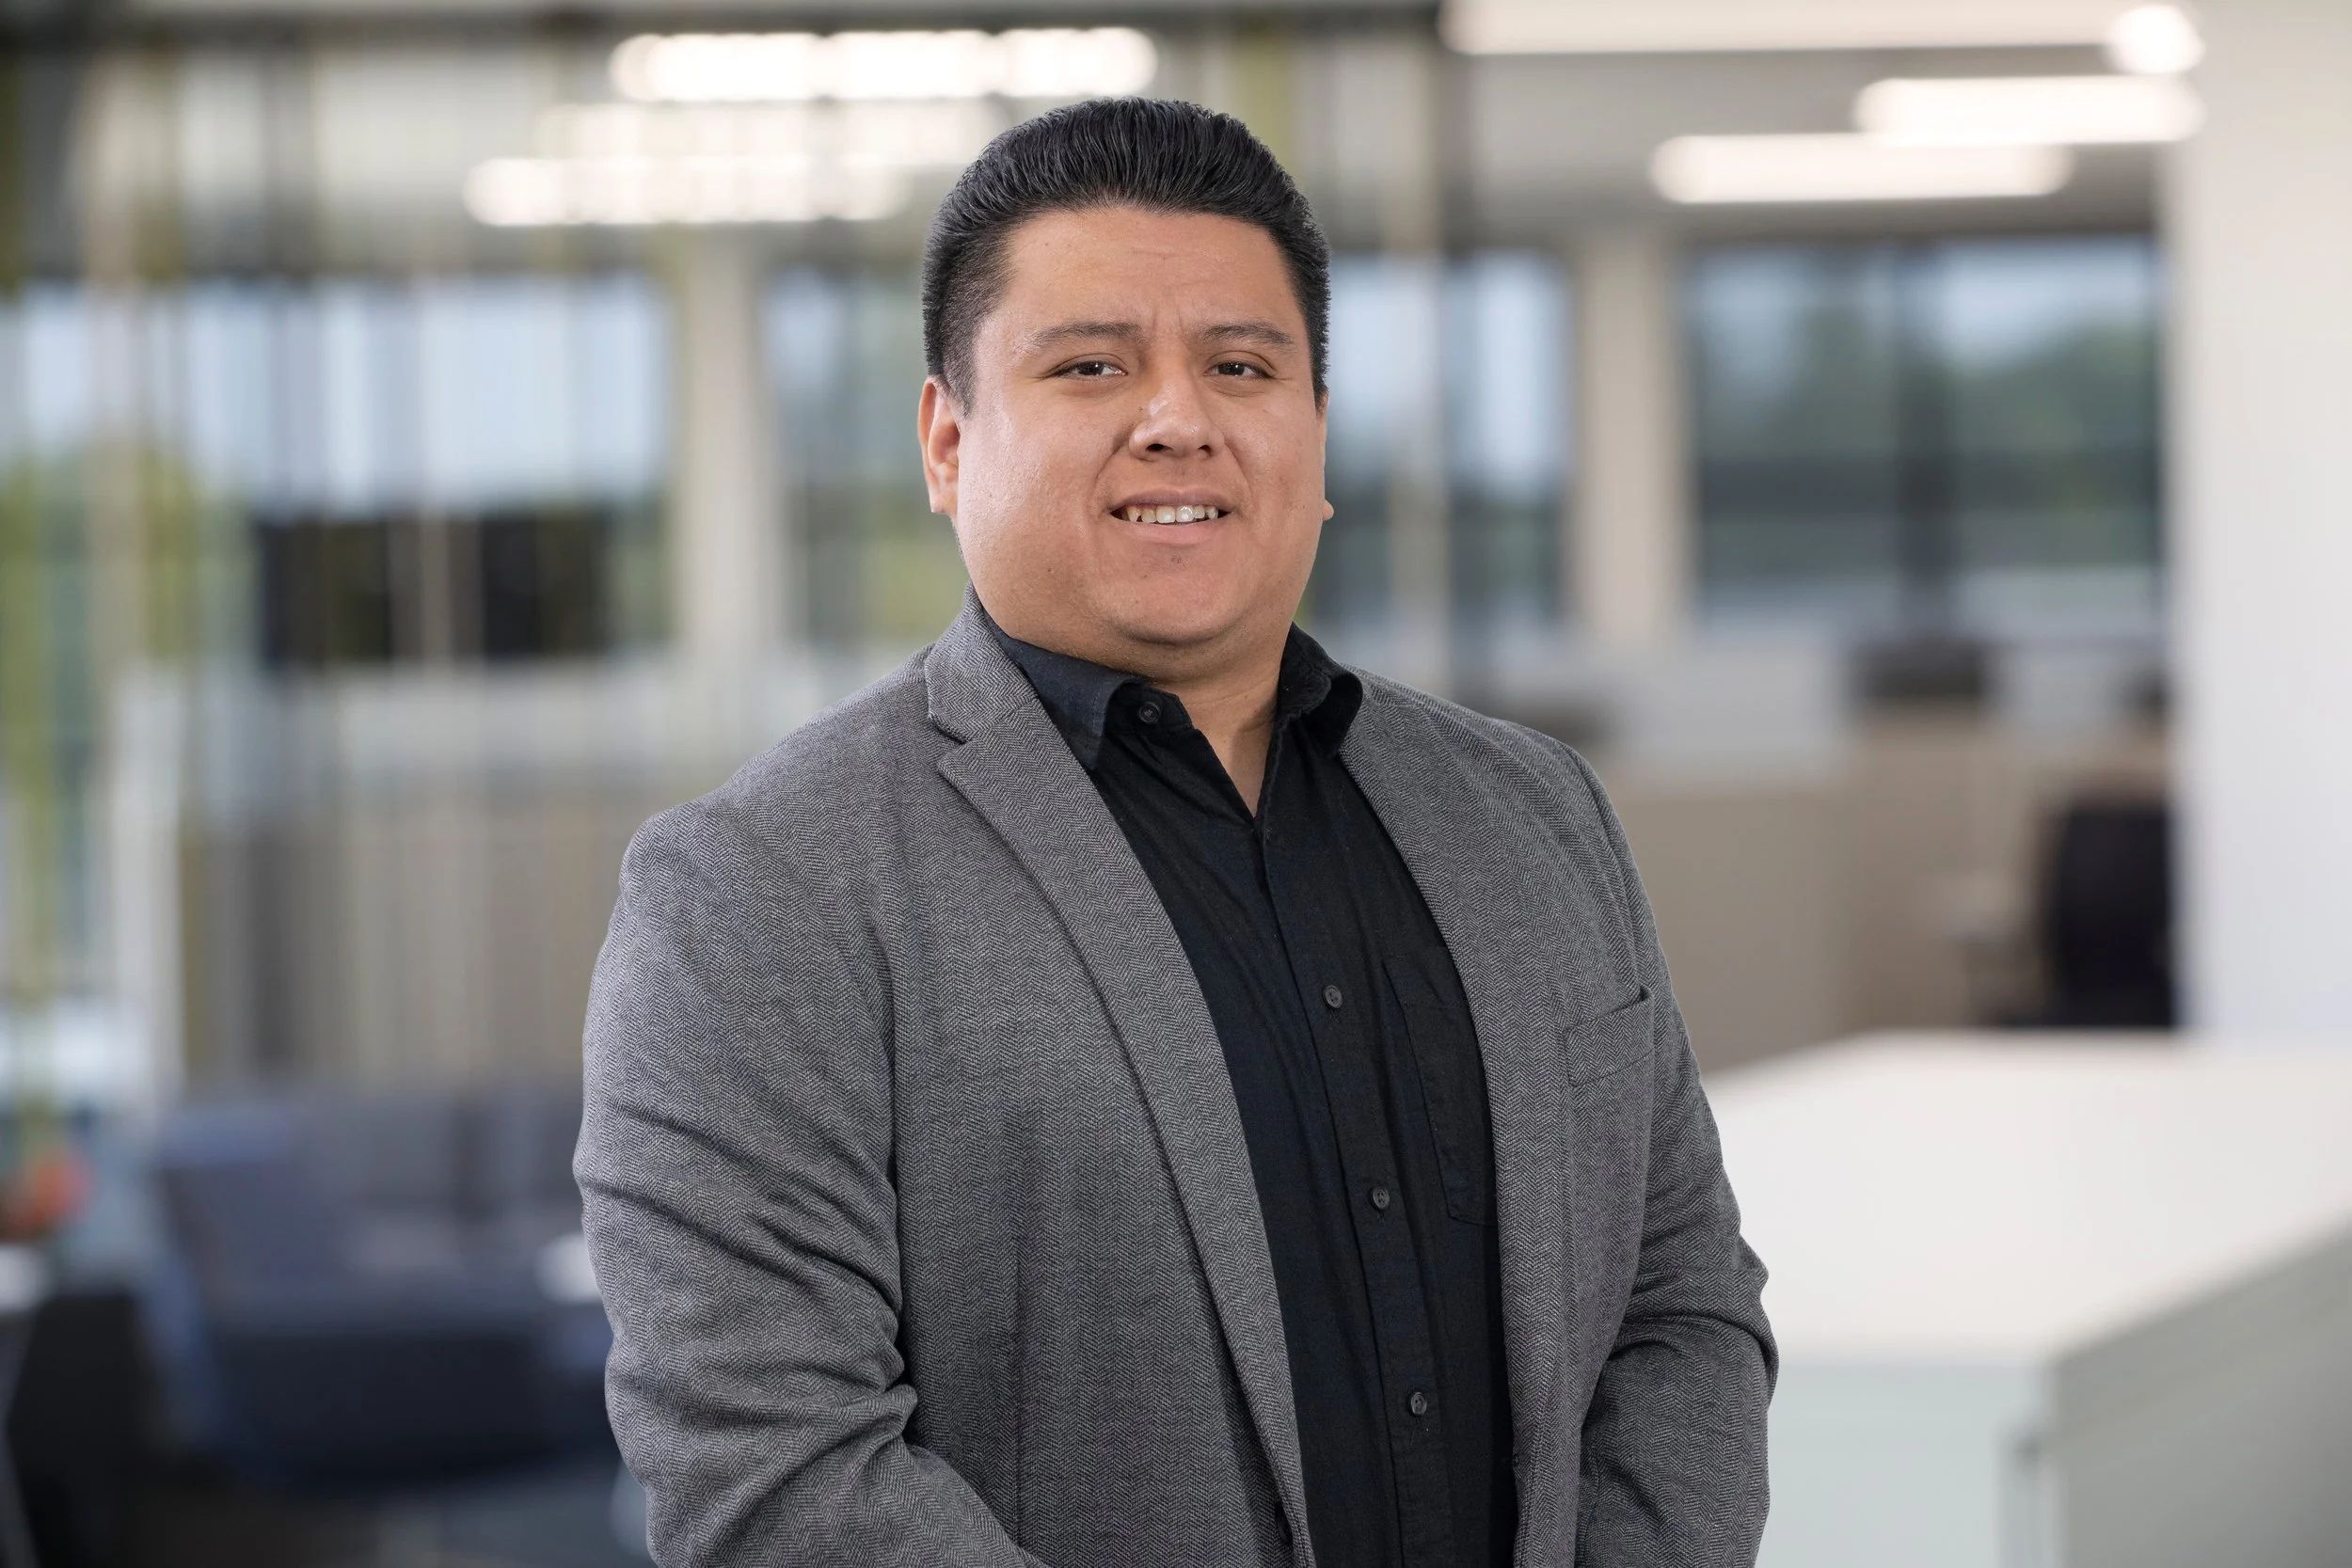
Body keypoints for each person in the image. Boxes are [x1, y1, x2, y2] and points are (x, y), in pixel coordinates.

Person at [578, 98, 1773, 1568]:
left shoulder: (1534, 813)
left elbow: (1680, 1306)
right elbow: (773, 1470)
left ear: (1317, 439)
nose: (1178, 417)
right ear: (948, 441)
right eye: (1090, 365)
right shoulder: (762, 889)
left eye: (1241, 364)